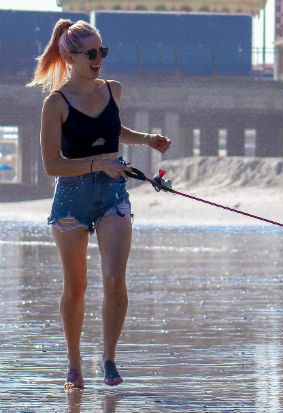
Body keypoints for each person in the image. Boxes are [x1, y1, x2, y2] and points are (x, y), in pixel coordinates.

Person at [27, 19, 171, 390]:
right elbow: (51, 165)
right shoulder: (54, 104)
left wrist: (146, 140)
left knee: (115, 280)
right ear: (69, 56)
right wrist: (97, 163)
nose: (99, 59)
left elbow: (111, 129)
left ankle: (108, 359)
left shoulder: (113, 90)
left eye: (102, 52)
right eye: (91, 53)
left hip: (113, 195)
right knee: (76, 287)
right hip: (71, 198)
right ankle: (74, 365)